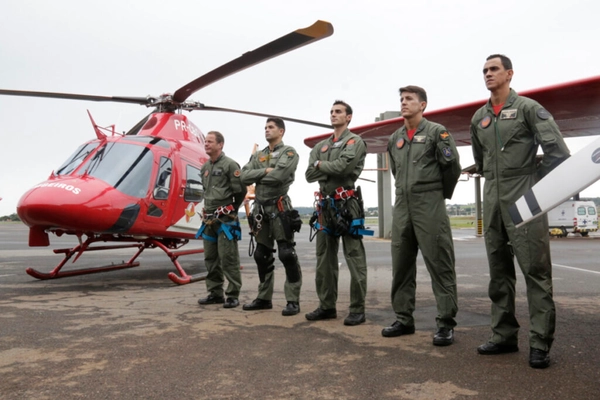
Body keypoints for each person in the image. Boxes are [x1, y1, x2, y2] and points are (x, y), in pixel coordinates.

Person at [470, 54, 570, 368]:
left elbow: (558, 152)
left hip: (524, 199)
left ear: (509, 74)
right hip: (493, 201)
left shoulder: (528, 109)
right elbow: (482, 161)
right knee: (499, 275)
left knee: (536, 274)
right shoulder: (479, 118)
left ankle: (540, 343)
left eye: (494, 69)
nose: (488, 74)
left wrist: (534, 184)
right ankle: (503, 336)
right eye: (484, 70)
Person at [382, 86, 462, 346]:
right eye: (401, 99)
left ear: (423, 105)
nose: (404, 103)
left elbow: (452, 167)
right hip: (402, 206)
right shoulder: (395, 138)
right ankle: (404, 319)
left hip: (430, 204)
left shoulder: (437, 133)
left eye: (409, 99)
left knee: (439, 264)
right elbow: (396, 171)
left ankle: (446, 324)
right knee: (401, 266)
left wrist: (438, 195)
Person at [305, 100, 370, 326]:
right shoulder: (320, 146)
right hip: (324, 206)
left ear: (348, 117)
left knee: (354, 256)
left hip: (347, 205)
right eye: (332, 111)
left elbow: (345, 168)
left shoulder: (355, 142)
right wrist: (324, 167)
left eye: (338, 112)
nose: (333, 115)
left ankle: (357, 309)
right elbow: (308, 175)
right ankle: (326, 306)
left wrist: (320, 166)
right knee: (324, 258)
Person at [240, 117, 303, 316]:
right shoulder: (258, 154)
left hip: (279, 207)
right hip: (260, 209)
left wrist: (258, 174)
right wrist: (266, 170)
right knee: (261, 254)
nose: (266, 130)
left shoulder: (289, 152)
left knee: (286, 253)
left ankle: (292, 300)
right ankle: (264, 298)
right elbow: (243, 176)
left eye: (271, 127)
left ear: (281, 131)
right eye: (265, 127)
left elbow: (279, 176)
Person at [196, 131, 247, 309]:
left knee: (228, 258)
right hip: (208, 220)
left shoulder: (230, 165)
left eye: (210, 141)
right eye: (205, 141)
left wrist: (232, 208)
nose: (206, 144)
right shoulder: (205, 168)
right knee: (210, 258)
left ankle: (232, 295)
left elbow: (241, 191)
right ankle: (215, 293)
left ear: (221, 144)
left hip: (225, 220)